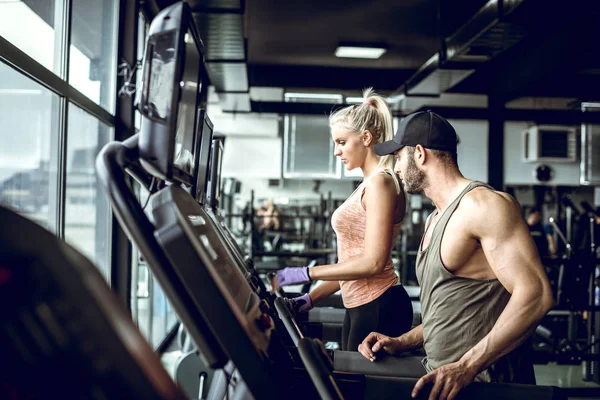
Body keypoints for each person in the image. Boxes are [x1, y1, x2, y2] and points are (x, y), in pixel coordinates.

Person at [357, 111, 553, 399]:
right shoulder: (434, 218)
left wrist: (466, 366)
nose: (396, 167)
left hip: (487, 382)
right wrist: (402, 341)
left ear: (420, 154)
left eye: (399, 156)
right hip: (445, 380)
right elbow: (450, 311)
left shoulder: (484, 206)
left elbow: (536, 295)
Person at [275, 88, 413, 351]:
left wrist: (305, 273)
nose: (337, 152)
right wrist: (309, 298)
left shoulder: (381, 183)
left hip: (379, 304)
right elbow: (350, 265)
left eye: (341, 142)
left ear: (366, 137)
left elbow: (373, 263)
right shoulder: (367, 184)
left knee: (359, 388)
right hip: (359, 303)